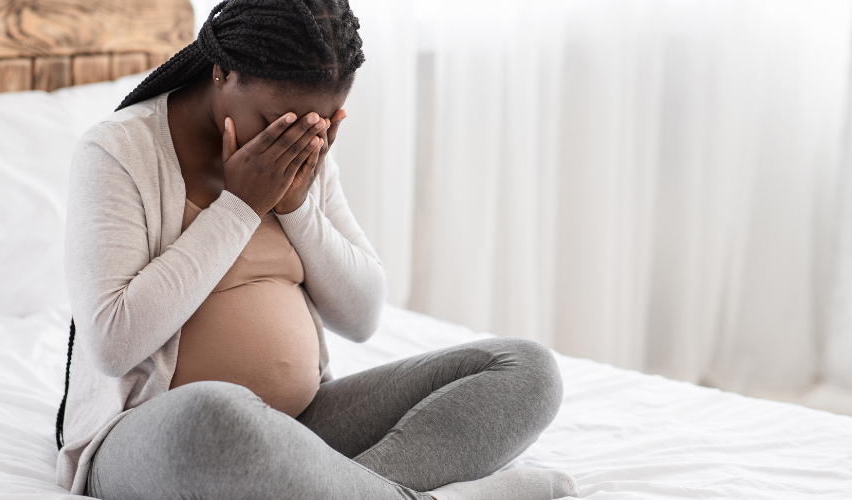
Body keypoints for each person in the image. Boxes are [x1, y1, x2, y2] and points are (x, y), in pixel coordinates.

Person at [55, 0, 576, 499]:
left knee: (525, 369)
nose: (297, 145)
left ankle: (335, 488)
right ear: (222, 72)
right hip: (162, 436)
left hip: (306, 426)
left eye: (316, 127)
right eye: (276, 123)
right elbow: (113, 344)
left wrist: (297, 207)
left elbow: (362, 316)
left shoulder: (307, 157)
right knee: (216, 413)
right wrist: (239, 208)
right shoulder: (117, 152)